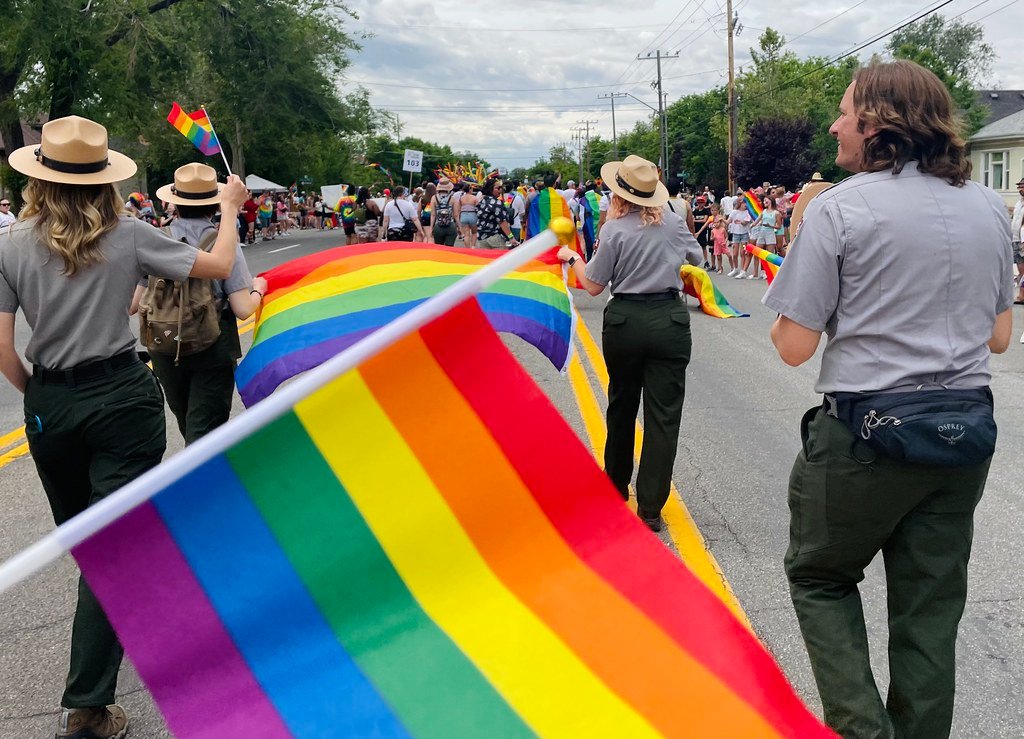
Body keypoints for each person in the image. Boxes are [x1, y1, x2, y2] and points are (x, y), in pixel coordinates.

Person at [762, 61, 1013, 739]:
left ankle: (862, 729)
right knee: (930, 610)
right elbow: (999, 335)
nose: (836, 124)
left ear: (878, 125)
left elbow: (792, 345)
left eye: (846, 113)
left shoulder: (841, 207)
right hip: (963, 435)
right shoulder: (991, 208)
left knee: (819, 576)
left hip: (865, 437)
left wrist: (799, 237)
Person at [0, 115, 245, 739]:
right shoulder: (130, 235)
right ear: (104, 180)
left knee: (92, 540)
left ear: (38, 179)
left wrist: (43, 395)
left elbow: (4, 348)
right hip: (121, 395)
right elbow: (219, 265)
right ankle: (86, 705)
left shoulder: (8, 245)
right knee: (111, 549)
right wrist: (230, 207)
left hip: (50, 401)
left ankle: (105, 657)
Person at [556, 154, 701, 532]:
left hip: (625, 320)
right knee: (664, 416)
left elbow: (592, 284)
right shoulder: (672, 222)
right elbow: (696, 259)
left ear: (620, 192)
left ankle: (616, 484)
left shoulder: (615, 229)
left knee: (622, 404)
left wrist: (571, 256)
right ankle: (651, 506)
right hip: (669, 319)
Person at [130, 163, 266, 443]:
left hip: (165, 346)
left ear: (174, 202)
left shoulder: (157, 239)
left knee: (188, 426)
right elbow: (243, 309)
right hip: (212, 348)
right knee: (205, 436)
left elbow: (134, 303)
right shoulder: (222, 242)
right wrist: (259, 289)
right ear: (216, 205)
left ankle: (196, 478)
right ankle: (201, 484)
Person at [476, 177, 520, 249]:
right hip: (495, 235)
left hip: (481, 236)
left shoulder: (482, 200)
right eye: (498, 188)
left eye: (501, 188)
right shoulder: (498, 202)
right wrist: (511, 238)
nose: (500, 190)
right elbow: (502, 222)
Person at [430, 177, 458, 246]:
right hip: (451, 226)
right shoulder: (453, 198)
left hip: (438, 226)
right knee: (449, 248)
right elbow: (456, 215)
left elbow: (433, 215)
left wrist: (431, 228)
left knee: (439, 249)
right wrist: (459, 227)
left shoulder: (434, 198)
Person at [1012, 178, 1024, 304]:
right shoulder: (1018, 204)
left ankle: (1022, 295)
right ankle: (1022, 294)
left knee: (1023, 269)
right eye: (1019, 187)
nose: (1021, 189)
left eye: (1023, 187)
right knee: (1020, 268)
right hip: (1015, 239)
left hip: (1023, 240)